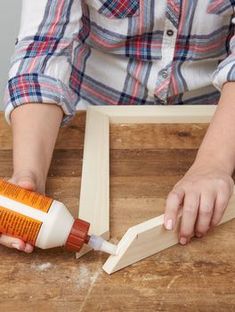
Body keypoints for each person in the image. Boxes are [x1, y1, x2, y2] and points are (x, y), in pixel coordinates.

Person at [2, 0, 235, 253]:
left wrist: (214, 163)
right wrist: (29, 175)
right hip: (92, 108)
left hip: (216, 121)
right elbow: (43, 48)